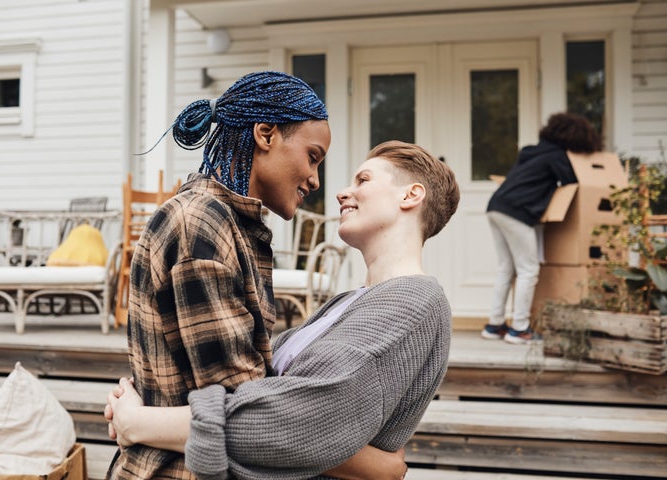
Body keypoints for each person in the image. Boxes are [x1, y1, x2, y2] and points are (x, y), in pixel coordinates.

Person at [105, 140, 461, 480]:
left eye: (363, 180)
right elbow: (271, 391)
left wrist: (140, 423)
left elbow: (292, 422)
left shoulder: (414, 302)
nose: (341, 192)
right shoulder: (354, 301)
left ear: (411, 195)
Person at [106, 71, 333, 479]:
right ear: (266, 134)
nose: (315, 179)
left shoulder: (231, 225)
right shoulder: (201, 223)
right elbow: (245, 410)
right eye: (312, 157)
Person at [483, 112, 602, 344]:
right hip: (517, 212)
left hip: (495, 206)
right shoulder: (557, 156)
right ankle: (519, 329)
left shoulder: (529, 151)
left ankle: (494, 325)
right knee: (528, 269)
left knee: (506, 269)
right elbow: (572, 183)